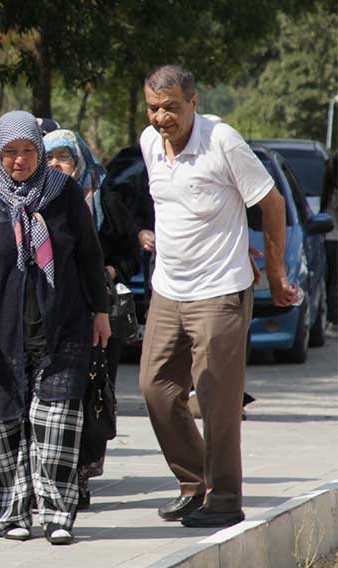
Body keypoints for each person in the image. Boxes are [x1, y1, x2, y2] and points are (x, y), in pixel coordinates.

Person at [137, 65, 293, 529]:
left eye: (171, 107)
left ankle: (224, 498)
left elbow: (272, 203)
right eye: (153, 108)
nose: (161, 117)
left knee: (215, 396)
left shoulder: (222, 141)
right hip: (168, 287)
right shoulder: (149, 144)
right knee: (155, 388)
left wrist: (276, 273)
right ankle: (193, 483)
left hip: (220, 290)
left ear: (193, 102)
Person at [0, 111, 111, 545]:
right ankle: (10, 515)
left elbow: (90, 257)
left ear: (39, 152)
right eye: (10, 153)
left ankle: (58, 514)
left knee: (56, 425)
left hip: (63, 328)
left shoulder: (65, 195)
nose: (19, 161)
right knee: (2, 430)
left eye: (27, 151)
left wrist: (101, 310)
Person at [44, 128, 139, 510]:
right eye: (48, 157)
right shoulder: (35, 197)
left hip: (98, 313)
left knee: (91, 393)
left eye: (64, 157)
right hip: (49, 313)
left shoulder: (102, 199)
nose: (55, 165)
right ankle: (49, 474)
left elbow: (132, 251)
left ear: (79, 160)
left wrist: (111, 271)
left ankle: (80, 474)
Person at [323, 152, 337, 336]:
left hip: (329, 239)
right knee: (334, 283)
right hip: (334, 240)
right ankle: (332, 321)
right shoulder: (335, 193)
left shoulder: (329, 189)